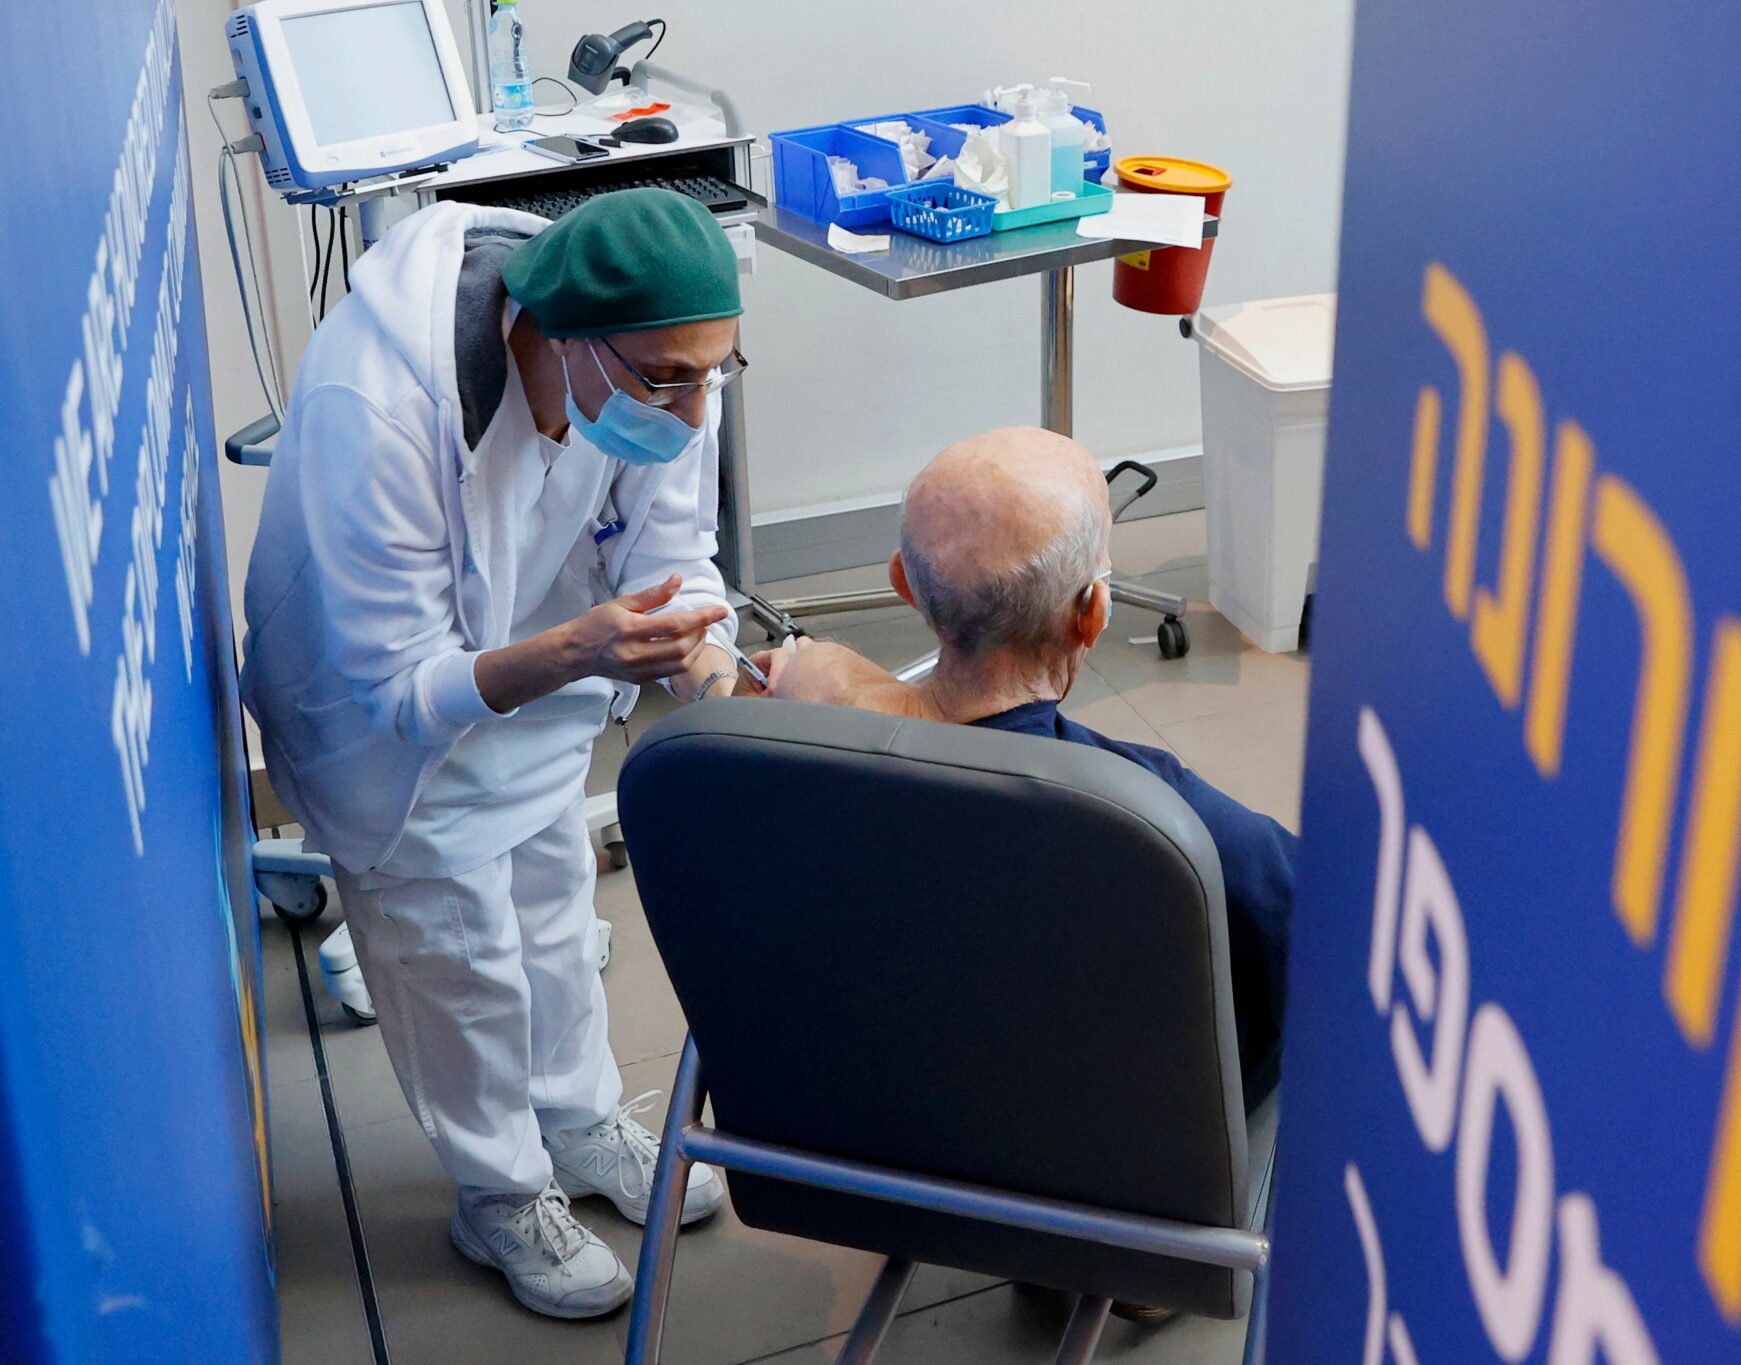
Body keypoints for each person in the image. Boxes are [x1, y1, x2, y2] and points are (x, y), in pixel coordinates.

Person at [243, 189, 757, 1319]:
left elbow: (677, 555)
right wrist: (583, 646)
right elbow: (397, 686)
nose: (691, 404)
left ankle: (576, 1124)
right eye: (669, 378)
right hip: (387, 733)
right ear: (564, 342)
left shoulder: (663, 367)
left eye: (715, 372)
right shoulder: (376, 406)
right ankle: (498, 1194)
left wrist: (715, 671)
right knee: (460, 966)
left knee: (556, 924)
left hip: (541, 690)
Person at [766, 427, 1294, 1106]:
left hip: (864, 1152)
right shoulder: (1147, 810)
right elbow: (1329, 934)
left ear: (904, 583)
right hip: (1123, 1177)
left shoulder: (771, 767)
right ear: (1093, 614)